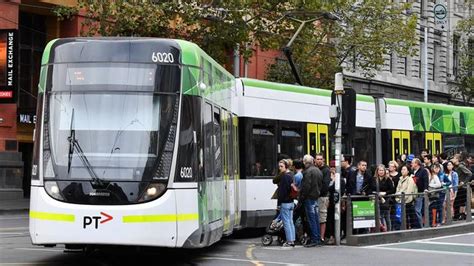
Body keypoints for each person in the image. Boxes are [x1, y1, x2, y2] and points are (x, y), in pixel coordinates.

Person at [300, 154, 323, 247]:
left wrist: (302, 197)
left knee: (311, 219)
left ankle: (315, 239)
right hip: (316, 196)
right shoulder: (318, 170)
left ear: (305, 162)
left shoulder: (307, 172)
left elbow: (306, 186)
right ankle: (317, 237)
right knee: (316, 218)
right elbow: (321, 184)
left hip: (309, 198)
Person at [277, 159, 296, 247]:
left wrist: (278, 204)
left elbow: (282, 192)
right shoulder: (292, 175)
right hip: (291, 201)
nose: (280, 168)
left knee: (286, 222)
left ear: (286, 166)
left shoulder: (284, 177)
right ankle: (292, 239)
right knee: (291, 221)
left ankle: (289, 241)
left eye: (281, 166)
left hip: (285, 202)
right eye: (279, 166)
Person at [372, 164, 395, 231]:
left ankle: (389, 231)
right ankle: (381, 230)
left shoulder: (388, 179)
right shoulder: (374, 179)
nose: (381, 172)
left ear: (384, 171)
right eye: (379, 170)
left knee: (387, 217)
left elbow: (392, 190)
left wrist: (385, 193)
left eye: (382, 170)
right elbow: (370, 188)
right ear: (377, 171)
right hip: (376, 199)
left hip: (385, 200)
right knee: (379, 217)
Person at [395, 165, 418, 230]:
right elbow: (397, 190)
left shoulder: (410, 179)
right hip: (400, 201)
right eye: (402, 169)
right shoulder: (400, 179)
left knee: (410, 216)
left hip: (408, 202)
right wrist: (398, 199)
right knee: (402, 217)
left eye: (404, 169)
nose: (402, 171)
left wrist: (403, 199)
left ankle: (414, 228)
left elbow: (409, 191)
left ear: (408, 171)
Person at [315, 153, 330, 244]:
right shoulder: (314, 169)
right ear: (315, 160)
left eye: (321, 159)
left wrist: (318, 193)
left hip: (322, 197)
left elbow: (325, 185)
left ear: (323, 160)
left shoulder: (326, 170)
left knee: (322, 217)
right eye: (318, 159)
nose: (319, 160)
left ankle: (321, 237)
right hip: (315, 196)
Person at [452, 154, 472, 220]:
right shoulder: (456, 166)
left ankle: (458, 215)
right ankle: (460, 215)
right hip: (459, 187)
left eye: (454, 158)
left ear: (457, 159)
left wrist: (464, 182)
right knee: (460, 201)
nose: (452, 159)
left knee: (458, 201)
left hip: (462, 187)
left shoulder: (460, 166)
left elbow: (469, 173)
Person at [411, 158, 429, 228]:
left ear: (416, 164)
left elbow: (426, 180)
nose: (411, 164)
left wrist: (425, 189)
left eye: (412, 163)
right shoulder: (412, 171)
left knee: (417, 210)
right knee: (414, 210)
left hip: (420, 192)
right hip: (413, 193)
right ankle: (416, 225)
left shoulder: (423, 171)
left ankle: (421, 226)